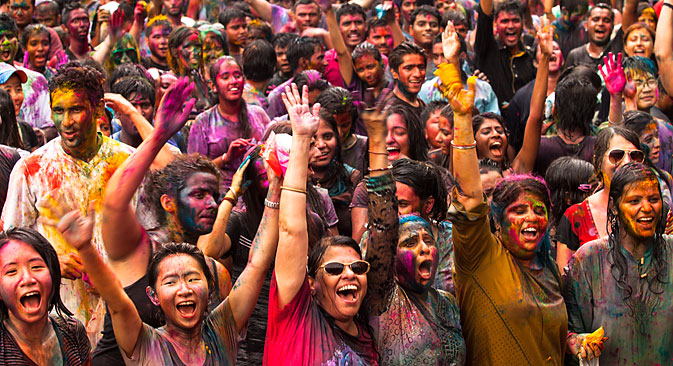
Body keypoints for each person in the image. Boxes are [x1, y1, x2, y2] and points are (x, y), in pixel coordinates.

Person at [92, 78, 235, 365]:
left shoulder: (213, 272)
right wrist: (157, 134)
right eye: (198, 194)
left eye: (214, 195)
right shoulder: (139, 252)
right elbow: (114, 202)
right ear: (167, 202)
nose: (211, 203)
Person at [445, 53, 567, 364]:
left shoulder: (548, 268)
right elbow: (470, 199)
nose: (532, 218)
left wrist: (574, 343)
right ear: (497, 221)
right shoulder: (480, 257)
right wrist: (462, 120)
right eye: (519, 210)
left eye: (539, 211)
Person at [1, 62, 136, 342]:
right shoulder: (32, 169)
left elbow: (154, 236)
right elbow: (8, 243)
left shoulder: (129, 163)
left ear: (98, 110)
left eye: (75, 109)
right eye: (58, 111)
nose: (66, 121)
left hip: (125, 311)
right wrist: (48, 261)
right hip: (58, 318)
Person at [264, 83, 379, 364]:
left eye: (358, 267)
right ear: (312, 283)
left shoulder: (368, 339)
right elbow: (291, 231)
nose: (350, 274)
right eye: (336, 268)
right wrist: (302, 140)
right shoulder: (297, 315)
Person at [354, 102, 465, 364]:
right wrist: (378, 143)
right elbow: (383, 226)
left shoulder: (447, 303)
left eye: (400, 206)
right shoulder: (383, 283)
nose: (393, 217)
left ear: (427, 206)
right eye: (412, 242)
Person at [563, 162, 673, 364]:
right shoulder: (588, 260)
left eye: (654, 199)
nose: (647, 208)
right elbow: (567, 333)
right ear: (614, 206)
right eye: (634, 201)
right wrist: (580, 343)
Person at [556, 127, 645, 271]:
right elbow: (566, 280)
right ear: (598, 162)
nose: (627, 162)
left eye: (635, 155)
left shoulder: (657, 210)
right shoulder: (575, 217)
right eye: (617, 155)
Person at [0, 228, 91, 365]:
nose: (28, 279)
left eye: (36, 267)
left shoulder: (72, 331)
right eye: (12, 271)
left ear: (53, 275)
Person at [188, 56, 271, 192]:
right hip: (221, 197)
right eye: (225, 77)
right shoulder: (203, 123)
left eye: (237, 76)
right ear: (213, 86)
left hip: (259, 193)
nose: (233, 82)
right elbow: (194, 172)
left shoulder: (258, 115)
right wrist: (226, 158)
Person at [311, 97, 361, 236]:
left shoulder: (352, 179)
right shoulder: (294, 183)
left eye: (327, 137)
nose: (321, 145)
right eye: (314, 139)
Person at [474, 0, 536, 107]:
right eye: (505, 21)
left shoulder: (531, 57)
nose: (510, 26)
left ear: (523, 23)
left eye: (515, 20)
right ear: (495, 24)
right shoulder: (488, 50)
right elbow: (485, 17)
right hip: (494, 121)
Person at [167, 25, 209, 113]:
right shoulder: (168, 82)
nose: (195, 52)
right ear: (174, 51)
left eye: (197, 46)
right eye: (188, 47)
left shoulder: (201, 80)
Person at [564, 3, 614, 69]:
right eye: (596, 19)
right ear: (586, 25)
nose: (600, 23)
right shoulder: (575, 55)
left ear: (612, 26)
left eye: (606, 20)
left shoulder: (617, 52)